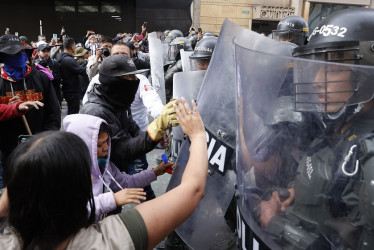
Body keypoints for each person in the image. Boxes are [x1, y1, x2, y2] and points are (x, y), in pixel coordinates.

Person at [0, 97, 207, 250]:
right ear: (73, 200)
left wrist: (154, 172)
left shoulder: (8, 241)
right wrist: (198, 135)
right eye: (82, 174)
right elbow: (192, 190)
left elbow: (125, 181)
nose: (91, 176)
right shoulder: (107, 241)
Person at [255, 8, 374, 249]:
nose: (318, 80)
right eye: (318, 66)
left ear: (366, 78)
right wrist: (295, 192)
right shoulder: (340, 125)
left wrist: (276, 224)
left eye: (333, 68)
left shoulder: (368, 157)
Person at [80, 54, 179, 173]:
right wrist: (156, 128)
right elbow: (120, 151)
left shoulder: (118, 102)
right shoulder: (96, 112)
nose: (135, 81)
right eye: (130, 77)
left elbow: (134, 131)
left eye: (135, 76)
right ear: (113, 81)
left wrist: (157, 136)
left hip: (123, 171)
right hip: (108, 179)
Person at [64, 114, 173, 220]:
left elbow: (125, 182)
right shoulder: (66, 173)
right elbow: (75, 211)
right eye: (99, 145)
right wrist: (113, 199)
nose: (106, 147)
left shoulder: (103, 165)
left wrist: (156, 172)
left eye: (107, 141)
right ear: (84, 145)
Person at [0, 34, 61, 187]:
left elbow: (53, 112)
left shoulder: (41, 78)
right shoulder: (1, 82)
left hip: (39, 145)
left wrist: (46, 139)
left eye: (22, 52)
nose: (20, 56)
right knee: (13, 188)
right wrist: (11, 107)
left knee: (39, 186)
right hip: (8, 148)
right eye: (13, 54)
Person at [58, 37, 88, 114]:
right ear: (71, 46)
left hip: (68, 89)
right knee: (73, 113)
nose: (75, 47)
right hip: (72, 90)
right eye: (74, 45)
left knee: (71, 110)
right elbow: (82, 71)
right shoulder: (68, 60)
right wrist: (89, 63)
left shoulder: (63, 58)